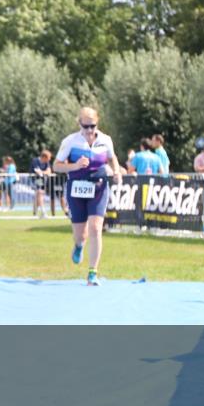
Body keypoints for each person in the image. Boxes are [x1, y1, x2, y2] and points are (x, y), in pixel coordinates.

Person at [53, 107, 122, 286]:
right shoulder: (70, 141)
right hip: (77, 187)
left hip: (99, 186)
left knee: (96, 227)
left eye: (93, 126)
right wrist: (75, 166)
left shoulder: (105, 140)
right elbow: (56, 166)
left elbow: (112, 158)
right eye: (86, 126)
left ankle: (92, 273)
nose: (90, 130)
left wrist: (116, 171)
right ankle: (78, 246)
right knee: (81, 234)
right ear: (79, 123)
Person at [30, 150, 52, 219]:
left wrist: (42, 172)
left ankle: (35, 212)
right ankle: (43, 212)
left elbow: (49, 171)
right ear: (44, 157)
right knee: (40, 193)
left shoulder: (47, 162)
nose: (49, 160)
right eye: (48, 158)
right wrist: (43, 172)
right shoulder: (35, 161)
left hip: (42, 181)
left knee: (38, 196)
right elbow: (37, 171)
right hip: (35, 180)